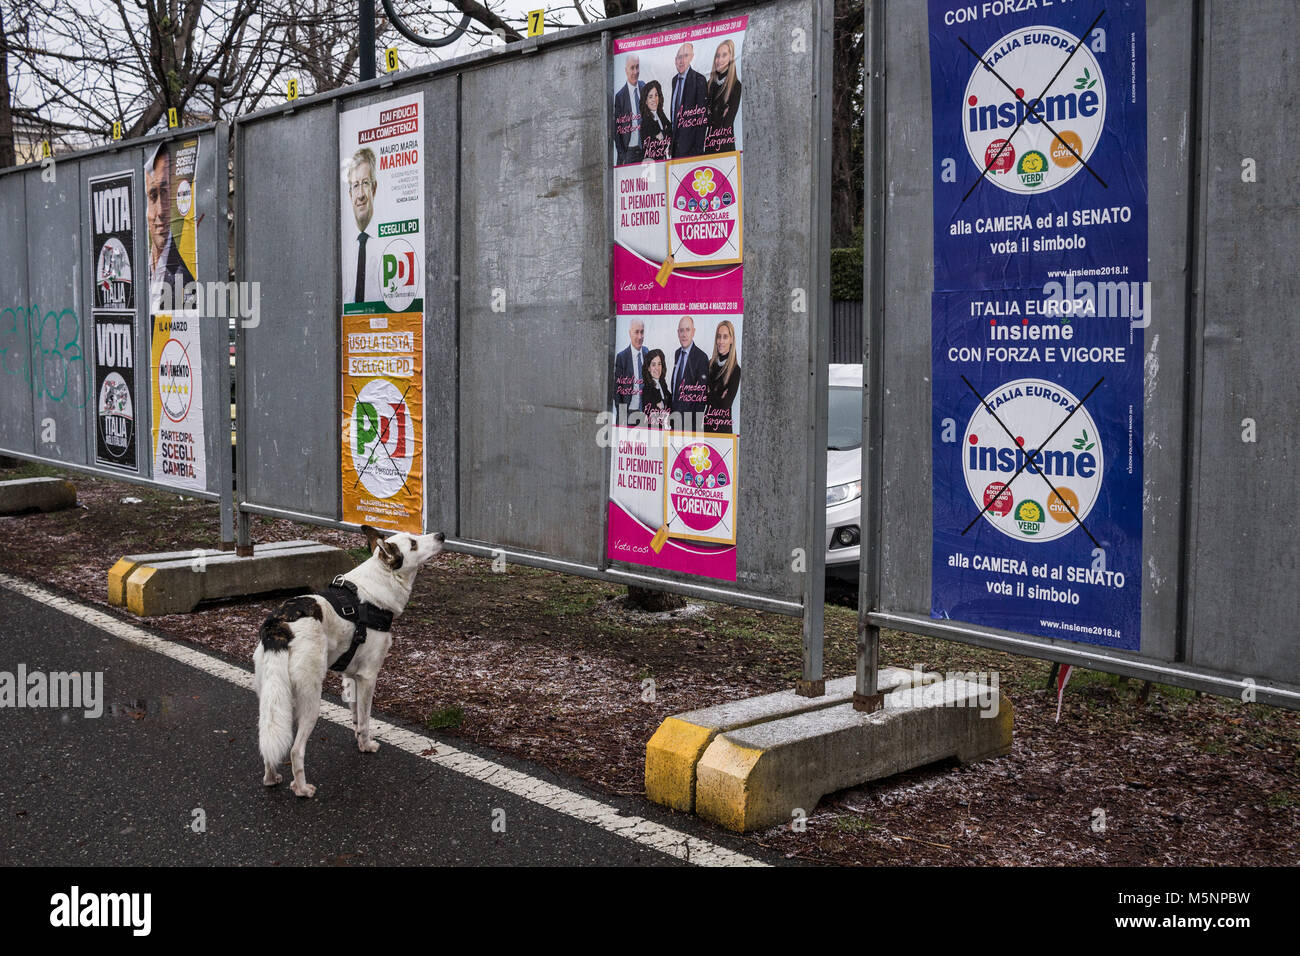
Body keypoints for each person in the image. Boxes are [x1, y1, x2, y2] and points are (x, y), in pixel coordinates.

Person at [145, 145, 196, 310]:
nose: (160, 211)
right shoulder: (135, 269)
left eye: (166, 194)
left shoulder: (186, 277)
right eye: (153, 195)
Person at [342, 147, 382, 305]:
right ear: (350, 194)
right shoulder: (344, 250)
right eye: (355, 185)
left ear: (374, 188)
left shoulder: (388, 244)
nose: (360, 195)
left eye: (365, 183)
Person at [668, 43, 709, 159]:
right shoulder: (674, 81)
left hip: (692, 151)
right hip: (675, 150)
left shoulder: (699, 80)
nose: (681, 61)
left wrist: (698, 151)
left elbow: (702, 120)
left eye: (685, 56)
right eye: (679, 57)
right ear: (675, 60)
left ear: (691, 57)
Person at [703, 40, 742, 155]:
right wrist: (720, 110)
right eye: (717, 56)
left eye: (724, 55)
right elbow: (705, 119)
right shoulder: (709, 84)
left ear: (731, 57)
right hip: (709, 145)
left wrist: (712, 112)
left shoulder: (735, 86)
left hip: (725, 146)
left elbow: (727, 122)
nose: (719, 60)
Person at [669, 315, 710, 425]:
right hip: (674, 419)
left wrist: (694, 426)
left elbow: (701, 397)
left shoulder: (701, 358)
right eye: (681, 330)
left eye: (688, 330)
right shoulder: (677, 353)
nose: (684, 334)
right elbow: (675, 387)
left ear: (693, 332)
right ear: (678, 333)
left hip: (689, 423)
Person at [704, 319, 741, 433]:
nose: (721, 341)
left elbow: (725, 405)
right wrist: (720, 395)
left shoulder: (735, 370)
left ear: (731, 340)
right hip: (707, 426)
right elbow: (702, 396)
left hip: (723, 429)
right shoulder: (709, 364)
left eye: (725, 337)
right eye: (719, 337)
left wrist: (710, 391)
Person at [612, 319, 649, 418]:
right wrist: (622, 416)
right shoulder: (622, 357)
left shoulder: (647, 353)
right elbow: (617, 391)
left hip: (645, 414)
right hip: (628, 414)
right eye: (636, 332)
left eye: (642, 332)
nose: (640, 336)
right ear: (630, 333)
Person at [613, 56, 646, 166]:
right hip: (629, 153)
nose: (635, 72)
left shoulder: (644, 87)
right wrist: (623, 156)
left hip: (646, 151)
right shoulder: (620, 97)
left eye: (637, 67)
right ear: (626, 70)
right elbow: (616, 130)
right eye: (632, 68)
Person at [639, 81, 672, 162]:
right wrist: (665, 134)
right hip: (653, 164)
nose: (654, 99)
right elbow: (656, 146)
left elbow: (671, 130)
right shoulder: (646, 122)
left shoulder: (660, 114)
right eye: (650, 97)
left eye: (656, 95)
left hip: (663, 160)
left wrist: (662, 135)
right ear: (645, 101)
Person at [640, 349, 671, 428]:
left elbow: (670, 402)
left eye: (659, 364)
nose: (657, 368)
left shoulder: (663, 385)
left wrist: (663, 404)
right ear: (648, 368)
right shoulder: (647, 389)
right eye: (653, 365)